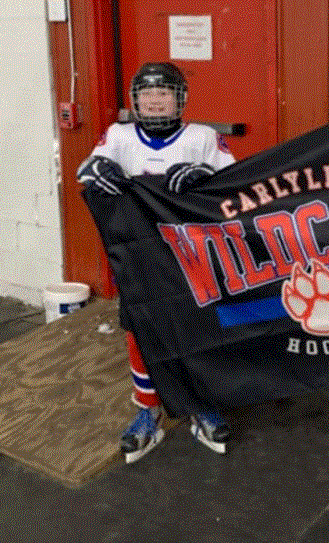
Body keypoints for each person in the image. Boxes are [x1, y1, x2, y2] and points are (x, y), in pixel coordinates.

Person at [77, 62, 236, 463]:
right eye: (146, 94)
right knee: (141, 331)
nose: (154, 100)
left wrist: (205, 176)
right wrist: (97, 168)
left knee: (198, 326)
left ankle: (200, 402)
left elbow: (237, 181)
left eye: (163, 92)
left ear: (179, 97)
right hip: (140, 255)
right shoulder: (118, 135)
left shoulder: (202, 137)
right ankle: (148, 410)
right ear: (135, 100)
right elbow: (87, 169)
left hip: (190, 255)